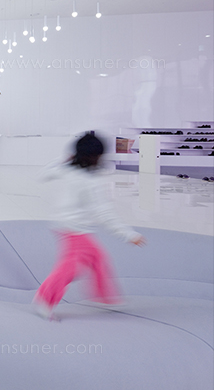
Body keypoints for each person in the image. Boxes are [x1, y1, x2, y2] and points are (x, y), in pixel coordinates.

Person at [33, 132, 146, 321]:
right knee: (70, 268)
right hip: (75, 229)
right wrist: (128, 234)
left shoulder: (67, 169)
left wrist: (62, 160)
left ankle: (105, 297)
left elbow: (42, 175)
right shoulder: (91, 181)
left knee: (96, 257)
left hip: (64, 224)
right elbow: (104, 213)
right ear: (96, 157)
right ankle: (45, 300)